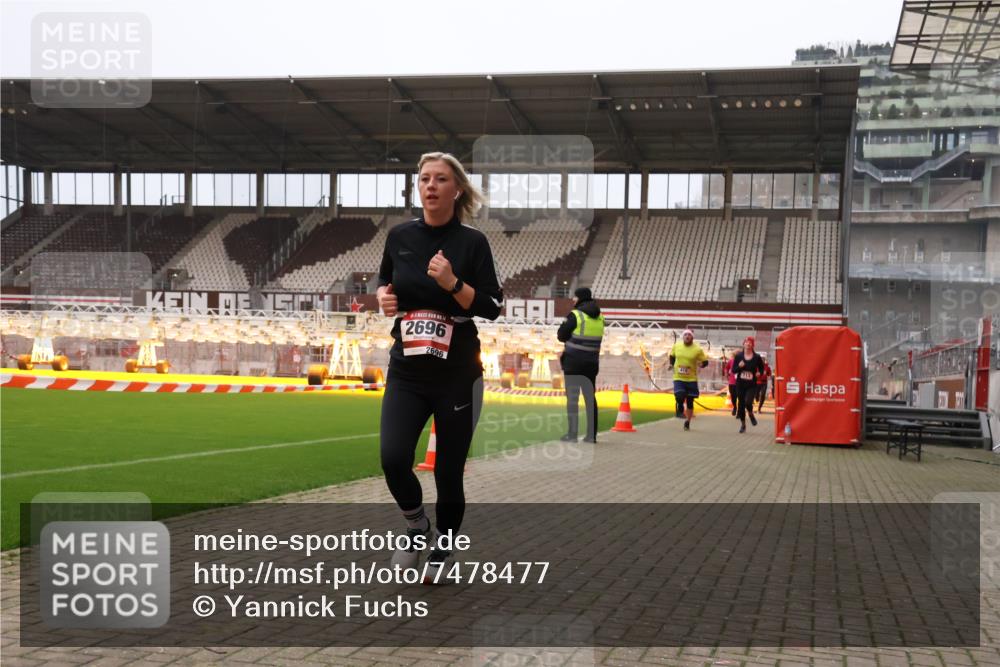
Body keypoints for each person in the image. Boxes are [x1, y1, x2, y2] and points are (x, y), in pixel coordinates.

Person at [376, 151, 503, 584]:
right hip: (407, 371)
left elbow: (492, 307)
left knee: (448, 472)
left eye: (441, 179)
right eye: (424, 178)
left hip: (457, 376)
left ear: (457, 189)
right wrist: (383, 298)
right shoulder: (399, 236)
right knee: (393, 458)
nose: (430, 186)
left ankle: (444, 549)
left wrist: (453, 284)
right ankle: (416, 528)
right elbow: (385, 282)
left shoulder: (472, 243)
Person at [556, 287, 604, 443]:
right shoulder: (600, 317)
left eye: (574, 298)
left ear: (580, 299)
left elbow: (561, 336)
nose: (573, 301)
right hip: (591, 364)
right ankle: (592, 436)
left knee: (572, 399)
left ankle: (572, 434)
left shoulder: (576, 315)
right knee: (590, 399)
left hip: (573, 363)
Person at [668, 329, 709, 431]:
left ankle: (687, 422)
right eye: (685, 335)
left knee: (690, 402)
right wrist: (671, 364)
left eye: (689, 335)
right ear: (683, 337)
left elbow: (705, 361)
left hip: (691, 379)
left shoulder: (697, 349)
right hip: (679, 377)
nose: (687, 336)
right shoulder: (676, 346)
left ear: (692, 337)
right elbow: (672, 356)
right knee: (679, 394)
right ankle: (680, 405)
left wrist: (702, 364)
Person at [732, 336, 765, 433]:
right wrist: (739, 366)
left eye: (750, 342)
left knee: (748, 402)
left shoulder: (757, 357)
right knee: (741, 405)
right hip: (740, 384)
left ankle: (750, 413)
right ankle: (743, 425)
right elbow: (733, 370)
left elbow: (762, 368)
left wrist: (760, 373)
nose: (748, 343)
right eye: (746, 342)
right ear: (743, 344)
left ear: (753, 345)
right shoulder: (738, 357)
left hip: (751, 384)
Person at [723, 350, 738, 417]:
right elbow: (726, 368)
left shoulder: (743, 362)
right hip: (732, 382)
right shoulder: (731, 361)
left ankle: (740, 411)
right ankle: (735, 407)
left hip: (741, 383)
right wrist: (726, 374)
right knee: (733, 396)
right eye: (736, 354)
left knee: (741, 397)